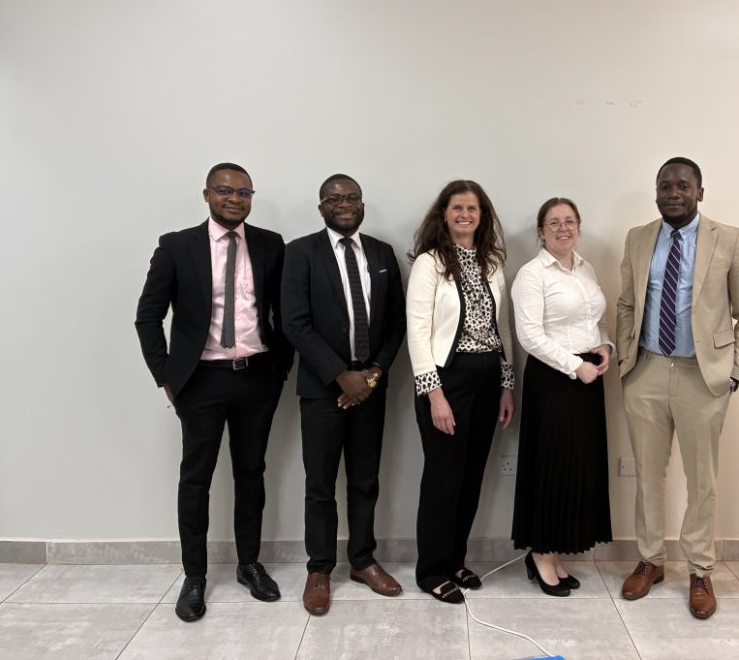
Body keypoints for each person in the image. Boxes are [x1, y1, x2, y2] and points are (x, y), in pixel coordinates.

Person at [135, 163, 293, 622]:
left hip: (257, 377)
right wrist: (166, 376)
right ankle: (195, 576)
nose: (235, 199)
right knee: (196, 478)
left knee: (252, 473)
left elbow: (283, 312)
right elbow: (148, 316)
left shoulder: (270, 244)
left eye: (244, 192)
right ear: (206, 194)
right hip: (200, 379)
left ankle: (249, 564)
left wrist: (279, 367)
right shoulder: (176, 246)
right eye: (225, 190)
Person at [616, 156, 739, 619]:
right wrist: (625, 360)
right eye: (665, 186)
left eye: (682, 186)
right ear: (656, 192)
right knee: (648, 473)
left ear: (700, 192)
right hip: (647, 370)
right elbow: (626, 303)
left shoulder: (729, 238)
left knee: (702, 479)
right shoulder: (638, 238)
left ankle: (700, 569)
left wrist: (735, 371)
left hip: (704, 374)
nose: (673, 193)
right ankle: (650, 560)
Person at [281, 174, 406, 617]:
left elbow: (396, 322)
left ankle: (362, 560)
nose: (345, 204)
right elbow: (294, 322)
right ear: (322, 207)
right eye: (335, 198)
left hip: (371, 387)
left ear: (362, 204)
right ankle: (319, 568)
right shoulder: (300, 253)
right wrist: (340, 376)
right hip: (322, 390)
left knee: (365, 479)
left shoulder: (382, 253)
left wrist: (371, 375)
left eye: (353, 197)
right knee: (319, 484)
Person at [406, 179, 515, 604]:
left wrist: (507, 385)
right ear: (444, 214)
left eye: (472, 208)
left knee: (471, 477)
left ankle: (455, 560)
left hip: (488, 378)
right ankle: (430, 570)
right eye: (457, 208)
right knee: (443, 479)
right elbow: (418, 332)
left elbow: (502, 328)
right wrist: (434, 395)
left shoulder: (492, 263)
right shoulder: (430, 263)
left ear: (482, 216)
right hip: (446, 379)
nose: (465, 215)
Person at [510, 197, 613, 597]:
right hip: (553, 380)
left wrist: (605, 347)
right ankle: (541, 553)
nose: (563, 228)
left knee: (577, 469)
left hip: (589, 378)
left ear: (579, 227)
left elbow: (594, 320)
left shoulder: (586, 268)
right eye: (554, 223)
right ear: (541, 231)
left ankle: (554, 552)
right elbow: (529, 336)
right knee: (550, 469)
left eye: (569, 221)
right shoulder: (532, 274)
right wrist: (575, 366)